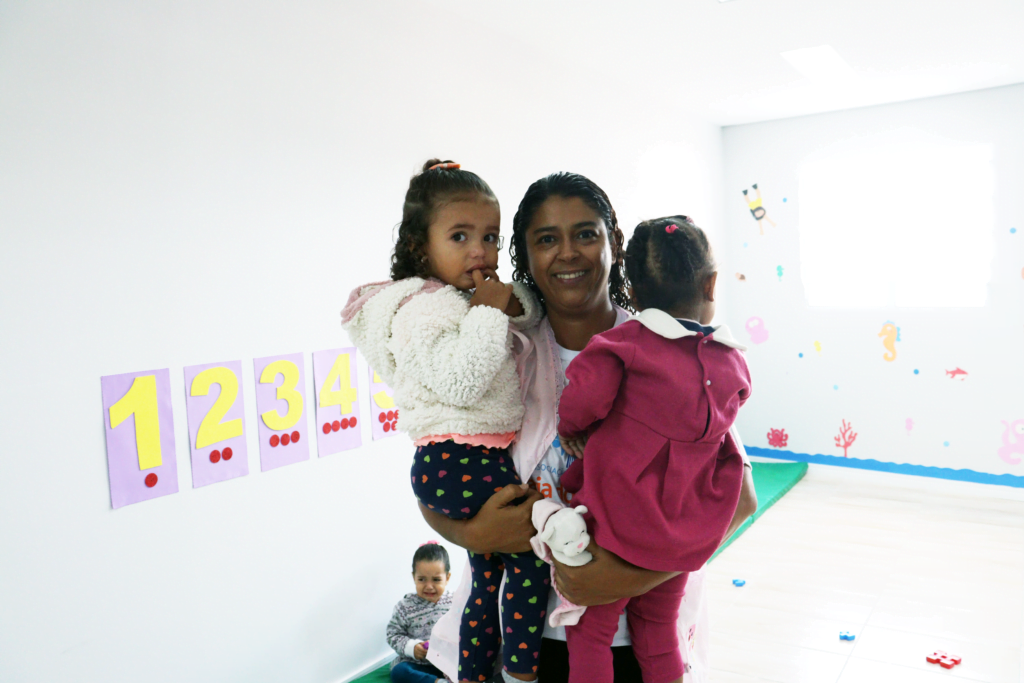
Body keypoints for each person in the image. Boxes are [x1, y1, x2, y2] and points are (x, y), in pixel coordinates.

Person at [421, 171, 760, 683]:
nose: (567, 253)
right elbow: (437, 472)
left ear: (613, 243)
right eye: (546, 239)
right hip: (521, 639)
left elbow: (740, 500)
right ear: (526, 255)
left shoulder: (672, 349)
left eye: (585, 234)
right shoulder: (495, 349)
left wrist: (627, 577)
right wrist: (469, 532)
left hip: (637, 639)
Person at [342, 159, 549, 683]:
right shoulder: (423, 309)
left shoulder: (457, 299)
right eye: (460, 236)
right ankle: (521, 674)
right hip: (459, 459)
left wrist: (503, 303)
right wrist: (489, 311)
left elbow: (524, 311)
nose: (479, 250)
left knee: (486, 578)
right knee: (527, 561)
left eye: (490, 237)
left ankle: (473, 675)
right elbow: (462, 380)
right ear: (421, 246)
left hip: (461, 459)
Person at [547, 216, 750, 683]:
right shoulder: (731, 361)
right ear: (711, 284)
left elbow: (584, 396)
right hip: (684, 530)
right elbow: (736, 402)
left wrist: (572, 427)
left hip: (620, 521)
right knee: (659, 629)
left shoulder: (623, 345)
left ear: (633, 293)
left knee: (591, 631)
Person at [387, 542, 454, 683]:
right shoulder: (404, 607)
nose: (429, 586)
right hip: (418, 664)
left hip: (448, 662)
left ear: (447, 578)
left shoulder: (455, 602)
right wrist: (412, 647)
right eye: (422, 579)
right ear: (414, 577)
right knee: (399, 672)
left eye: (436, 580)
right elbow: (393, 635)